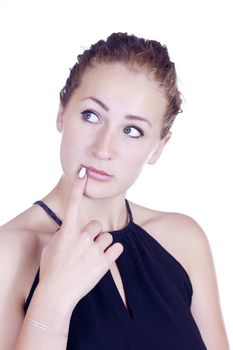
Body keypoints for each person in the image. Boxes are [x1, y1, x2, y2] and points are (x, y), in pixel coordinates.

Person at [0, 32, 229, 350]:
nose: (103, 149)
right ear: (61, 113)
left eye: (132, 130)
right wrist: (52, 303)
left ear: (158, 148)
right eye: (91, 116)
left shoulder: (183, 240)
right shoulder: (8, 255)